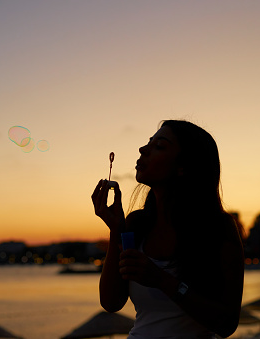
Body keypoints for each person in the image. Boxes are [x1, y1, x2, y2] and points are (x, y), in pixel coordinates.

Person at [91, 120, 244, 338]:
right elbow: (111, 302)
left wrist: (161, 280)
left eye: (159, 146)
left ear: (183, 166)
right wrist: (116, 231)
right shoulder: (136, 224)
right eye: (148, 143)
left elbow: (227, 324)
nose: (142, 149)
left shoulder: (218, 229)